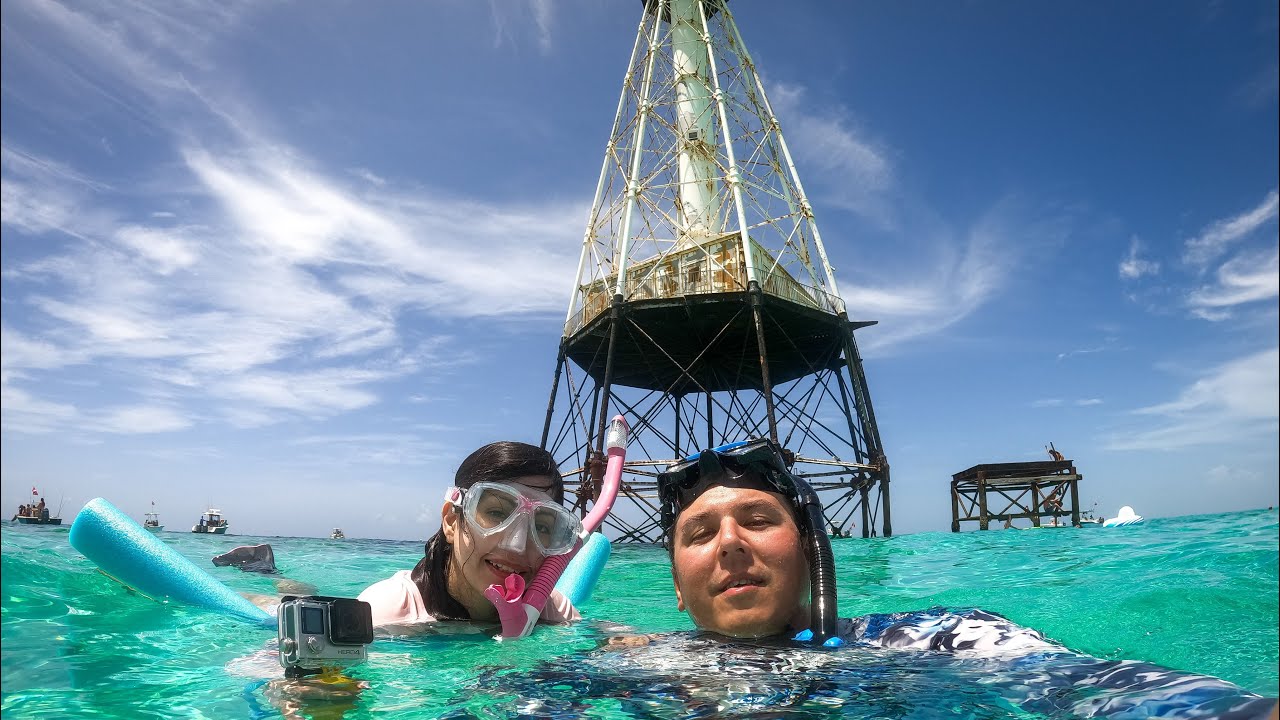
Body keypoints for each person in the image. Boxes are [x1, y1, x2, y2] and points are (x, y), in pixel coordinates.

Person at [615, 437, 1276, 717]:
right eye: (699, 534)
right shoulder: (637, 668)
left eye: (757, 519)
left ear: (812, 552)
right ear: (675, 583)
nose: (729, 543)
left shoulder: (929, 637)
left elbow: (1090, 684)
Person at [356, 440, 582, 631]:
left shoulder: (550, 609)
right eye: (496, 513)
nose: (518, 546)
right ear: (452, 521)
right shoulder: (386, 613)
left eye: (542, 527)